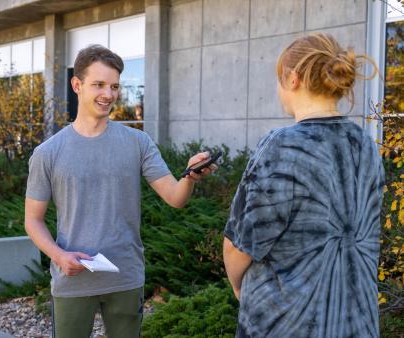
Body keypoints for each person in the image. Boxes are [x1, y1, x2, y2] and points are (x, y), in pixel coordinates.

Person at [25, 44, 215, 338]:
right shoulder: (48, 153)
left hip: (125, 277)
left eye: (114, 86)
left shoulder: (137, 142)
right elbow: (33, 220)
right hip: (73, 280)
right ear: (77, 85)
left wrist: (190, 176)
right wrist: (59, 256)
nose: (109, 94)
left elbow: (175, 198)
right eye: (99, 85)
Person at [223, 33, 384, 338]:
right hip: (357, 320)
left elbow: (240, 244)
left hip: (286, 324)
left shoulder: (282, 144)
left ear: (293, 79)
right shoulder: (366, 143)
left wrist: (237, 286)